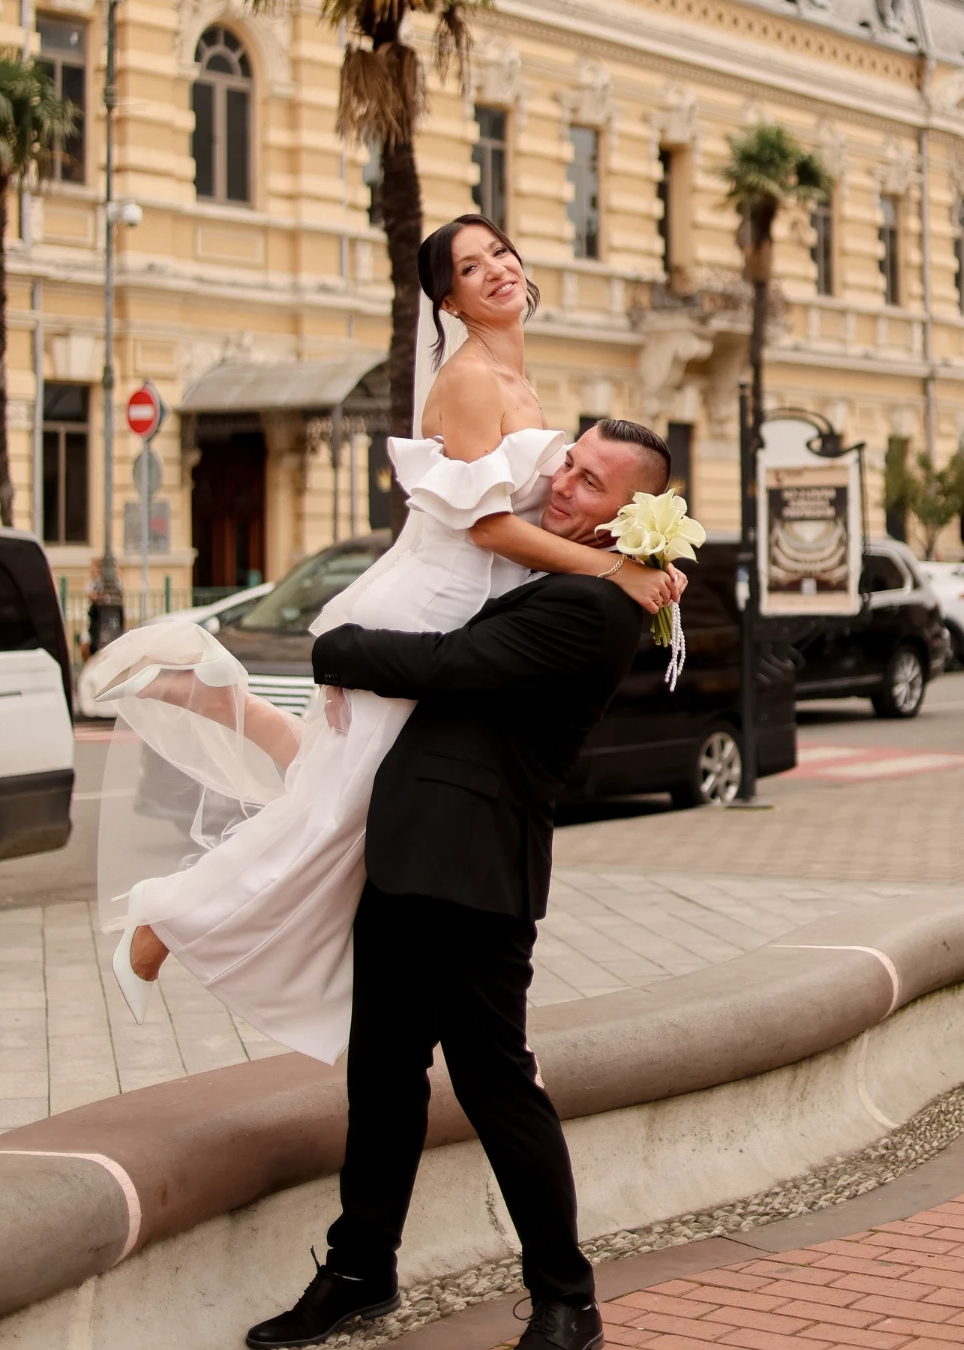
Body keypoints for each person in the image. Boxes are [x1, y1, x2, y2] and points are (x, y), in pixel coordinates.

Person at [96, 215, 681, 1074]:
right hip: (435, 600)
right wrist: (609, 577)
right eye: (470, 267)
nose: (495, 271)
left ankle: (217, 697)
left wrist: (637, 550)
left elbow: (536, 513)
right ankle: (164, 920)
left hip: (470, 600)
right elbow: (487, 529)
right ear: (447, 298)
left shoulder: (519, 376)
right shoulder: (474, 377)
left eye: (501, 254)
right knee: (339, 810)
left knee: (345, 784)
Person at [245, 406, 677, 1350]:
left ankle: (569, 1302)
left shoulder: (594, 609)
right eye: (570, 463)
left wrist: (335, 646)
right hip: (410, 859)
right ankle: (360, 1271)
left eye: (590, 483)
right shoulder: (572, 573)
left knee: (497, 1089)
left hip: (474, 878)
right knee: (384, 1078)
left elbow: (447, 665)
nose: (562, 483)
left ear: (627, 516)